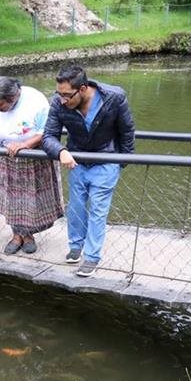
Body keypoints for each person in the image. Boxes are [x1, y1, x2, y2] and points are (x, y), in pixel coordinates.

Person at [41, 65, 136, 277]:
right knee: (75, 206)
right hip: (76, 160)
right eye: (59, 94)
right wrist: (61, 151)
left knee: (98, 210)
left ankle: (92, 257)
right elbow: (48, 136)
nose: (62, 99)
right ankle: (76, 245)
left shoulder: (114, 97)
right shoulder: (58, 102)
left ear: (82, 89)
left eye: (67, 95)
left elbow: (127, 130)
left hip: (106, 159)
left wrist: (123, 161)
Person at [0, 77, 64, 255]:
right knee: (11, 199)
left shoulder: (36, 101)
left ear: (13, 97)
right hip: (7, 156)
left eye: (0, 105)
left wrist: (25, 145)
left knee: (30, 200)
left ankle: (28, 236)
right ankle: (17, 235)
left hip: (33, 157)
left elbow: (46, 131)